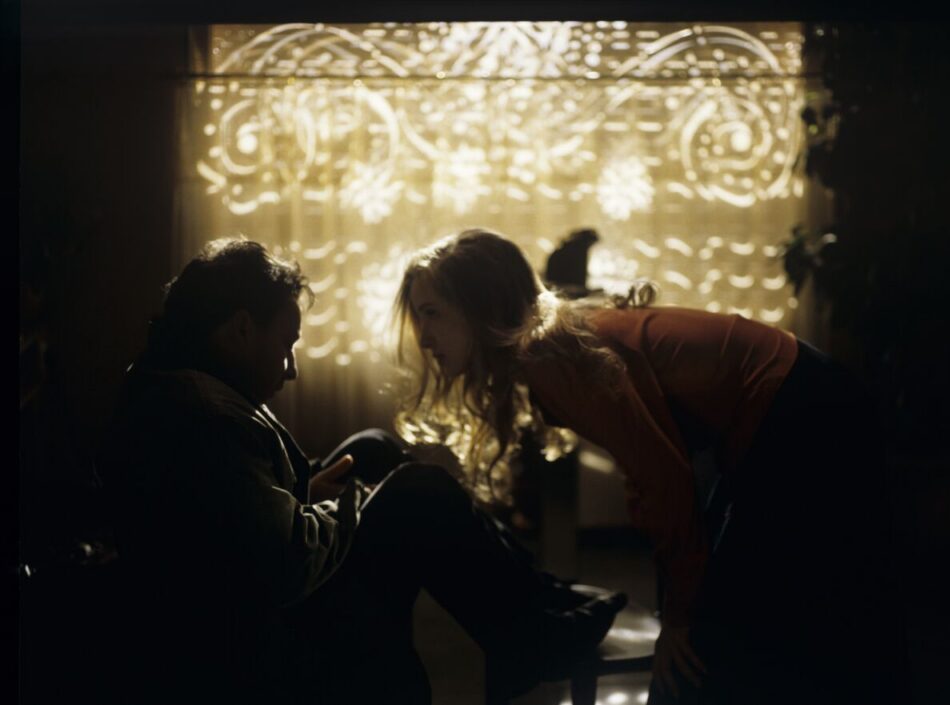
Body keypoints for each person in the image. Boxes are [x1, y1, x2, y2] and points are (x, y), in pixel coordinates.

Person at [97, 237, 626, 705]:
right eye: (286, 345)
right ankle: (530, 636)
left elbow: (236, 508)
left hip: (245, 584)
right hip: (247, 629)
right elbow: (284, 564)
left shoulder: (182, 388)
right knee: (418, 491)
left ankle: (538, 601)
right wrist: (354, 503)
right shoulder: (203, 419)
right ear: (239, 330)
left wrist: (311, 492)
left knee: (372, 447)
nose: (291, 368)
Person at [393, 229, 908, 705]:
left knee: (722, 632)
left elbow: (663, 478)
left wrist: (679, 622)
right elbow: (659, 474)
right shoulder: (548, 351)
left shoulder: (549, 358)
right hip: (798, 405)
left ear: (480, 306)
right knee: (750, 616)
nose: (424, 336)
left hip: (805, 410)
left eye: (433, 313)